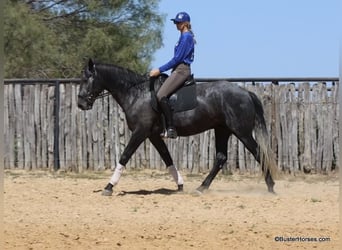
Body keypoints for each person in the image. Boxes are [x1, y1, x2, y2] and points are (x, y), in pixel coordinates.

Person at [150, 11, 195, 139]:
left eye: (179, 22)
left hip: (181, 70)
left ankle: (171, 128)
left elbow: (177, 59)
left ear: (185, 23)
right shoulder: (183, 36)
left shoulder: (186, 37)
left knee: (161, 95)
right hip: (177, 69)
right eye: (175, 22)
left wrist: (159, 70)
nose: (176, 24)